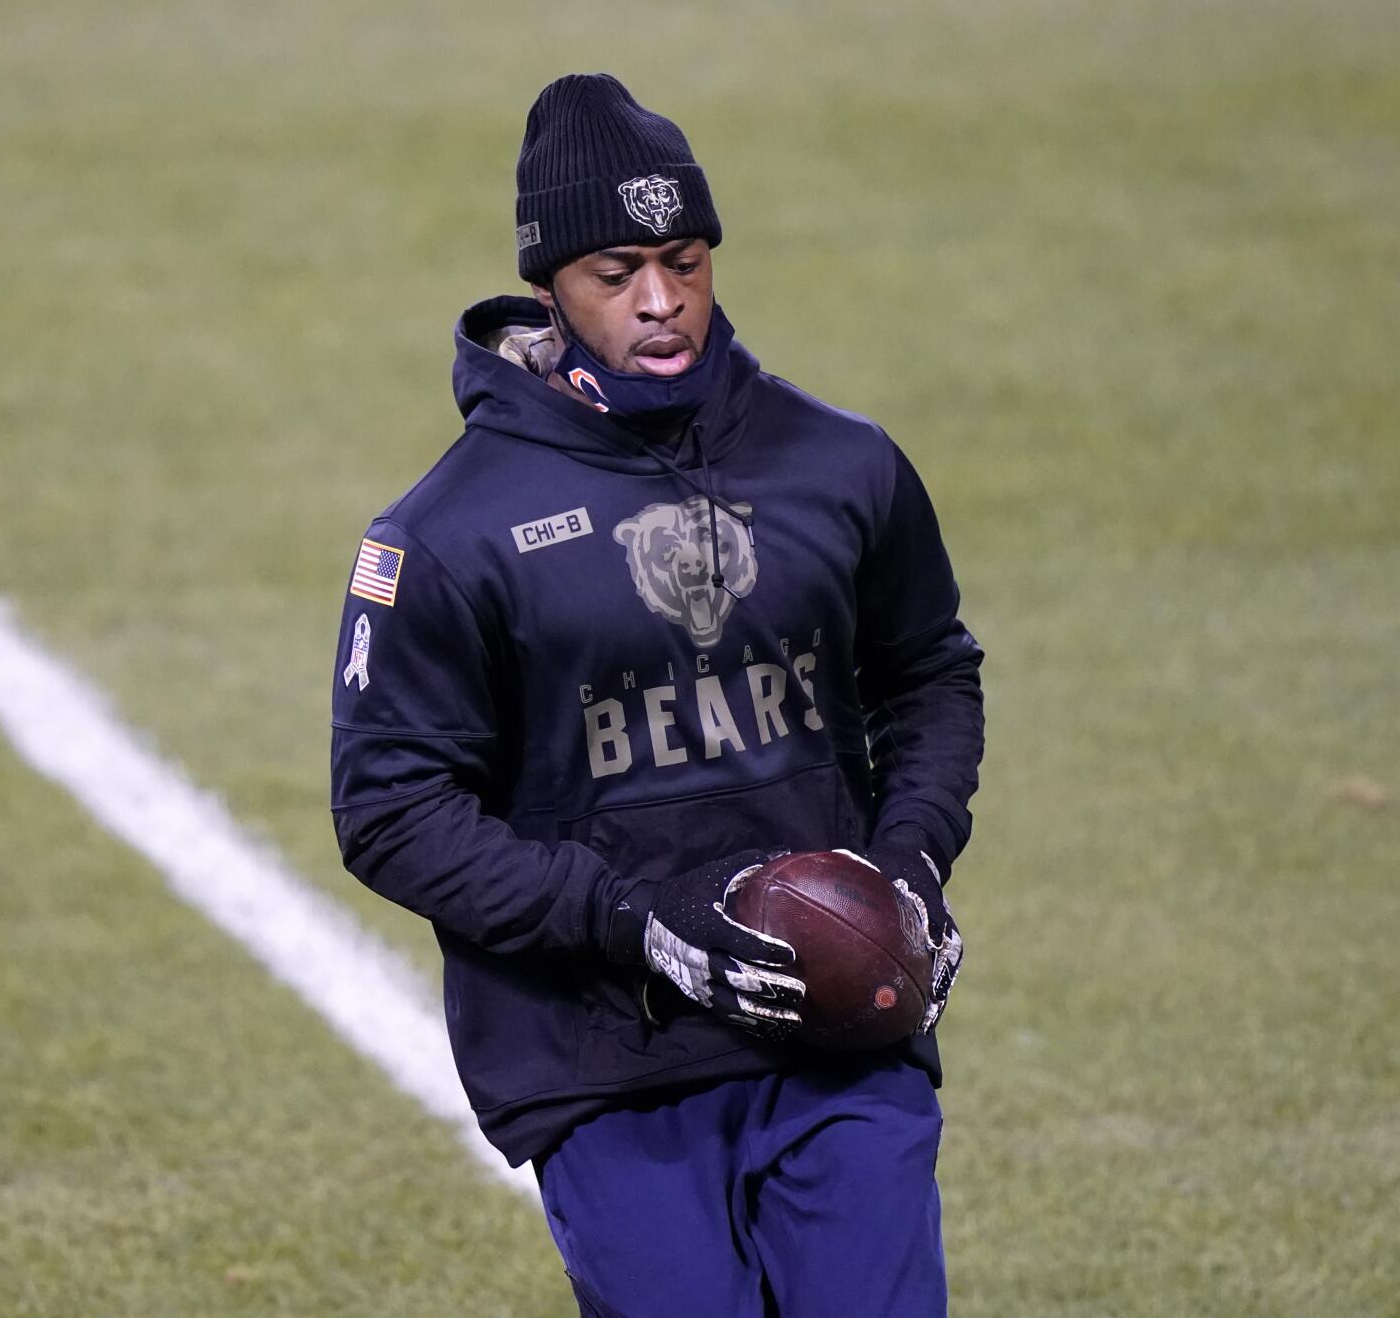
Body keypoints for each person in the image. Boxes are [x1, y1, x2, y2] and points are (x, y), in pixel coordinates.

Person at [330, 73, 984, 1317]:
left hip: (840, 1033)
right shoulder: (448, 534)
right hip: (603, 1061)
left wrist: (908, 864)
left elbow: (927, 672)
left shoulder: (839, 464)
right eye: (614, 270)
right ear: (547, 291)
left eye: (684, 260)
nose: (659, 300)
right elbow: (391, 811)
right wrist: (634, 920)